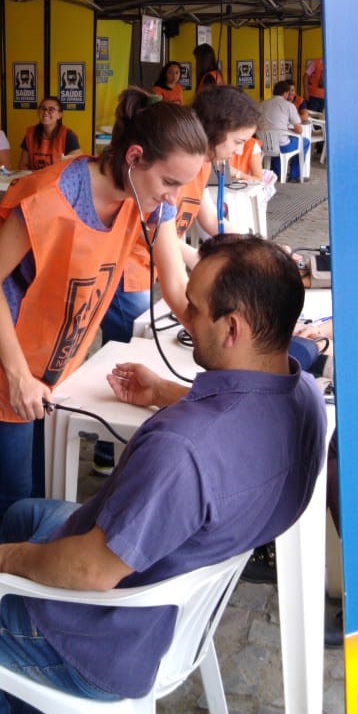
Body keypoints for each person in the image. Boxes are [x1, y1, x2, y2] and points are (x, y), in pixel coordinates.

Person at [0, 235, 326, 714]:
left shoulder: (185, 451)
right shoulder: (304, 395)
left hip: (105, 631)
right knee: (23, 515)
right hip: (177, 585)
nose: (183, 317)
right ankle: (27, 709)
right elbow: (231, 421)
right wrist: (166, 393)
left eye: (194, 308)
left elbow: (91, 571)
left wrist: (3, 562)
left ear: (235, 327)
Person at [0, 88, 208, 549]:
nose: (173, 198)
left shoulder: (150, 200)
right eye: (169, 182)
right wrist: (16, 376)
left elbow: (174, 285)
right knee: (9, 489)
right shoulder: (47, 195)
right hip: (2, 355)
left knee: (38, 484)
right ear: (134, 157)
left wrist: (217, 339)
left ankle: (18, 583)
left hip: (53, 357)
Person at [91, 85, 260, 475]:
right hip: (131, 270)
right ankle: (109, 445)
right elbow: (171, 242)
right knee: (123, 359)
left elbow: (202, 223)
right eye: (237, 141)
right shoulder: (177, 162)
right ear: (219, 129)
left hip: (158, 270)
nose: (238, 150)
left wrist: (250, 250)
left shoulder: (194, 167)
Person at [259, 80, 310, 183]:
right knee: (304, 142)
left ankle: (277, 173)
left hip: (265, 145)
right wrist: (288, 129)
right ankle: (294, 176)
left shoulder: (263, 104)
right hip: (282, 146)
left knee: (278, 143)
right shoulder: (288, 106)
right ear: (285, 93)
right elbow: (299, 130)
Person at [18, 97, 80, 171]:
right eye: (43, 108)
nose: (46, 112)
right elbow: (23, 165)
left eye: (51, 109)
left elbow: (78, 165)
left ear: (59, 115)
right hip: (35, 180)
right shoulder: (30, 134)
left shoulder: (68, 135)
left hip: (58, 181)